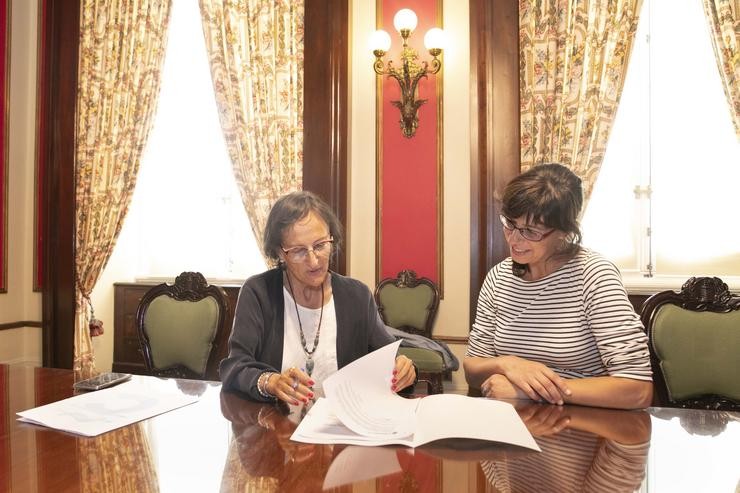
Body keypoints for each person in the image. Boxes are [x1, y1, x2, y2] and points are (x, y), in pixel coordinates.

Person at [464, 163, 653, 410]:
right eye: (509, 223)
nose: (514, 239)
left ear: (564, 231)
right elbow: (472, 368)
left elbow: (637, 390)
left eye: (531, 231)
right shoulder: (498, 278)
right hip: (513, 429)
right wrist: (507, 364)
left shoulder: (593, 276)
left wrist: (533, 392)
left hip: (582, 425)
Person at [220, 191, 416, 405]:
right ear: (279, 253)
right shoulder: (258, 293)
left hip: (342, 426)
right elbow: (235, 366)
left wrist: (403, 367)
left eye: (320, 245)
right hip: (275, 427)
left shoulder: (357, 296)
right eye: (298, 251)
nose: (314, 261)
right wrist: (270, 382)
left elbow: (387, 360)